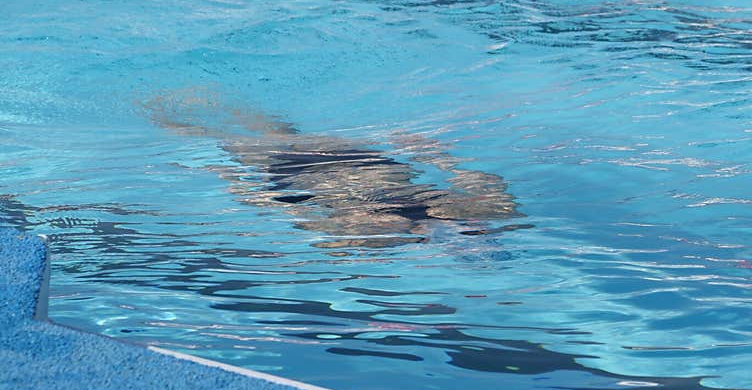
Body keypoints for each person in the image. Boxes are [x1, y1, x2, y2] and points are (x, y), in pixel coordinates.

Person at [143, 86, 521, 248]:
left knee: (218, 136)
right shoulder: (489, 209)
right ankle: (190, 97)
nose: (472, 227)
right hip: (363, 162)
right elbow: (485, 183)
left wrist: (236, 184)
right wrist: (434, 154)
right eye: (476, 234)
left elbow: (303, 218)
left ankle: (159, 108)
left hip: (297, 173)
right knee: (280, 130)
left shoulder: (376, 240)